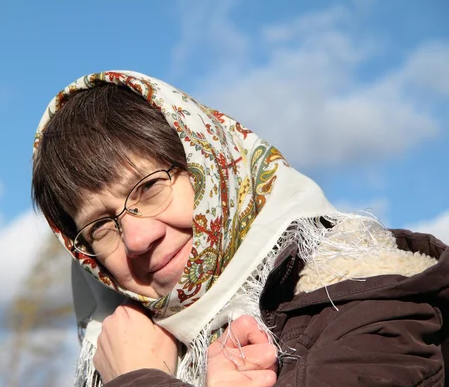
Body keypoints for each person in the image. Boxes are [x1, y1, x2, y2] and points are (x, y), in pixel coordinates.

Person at [31, 71, 449, 387]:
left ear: (210, 163)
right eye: (101, 226)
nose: (139, 239)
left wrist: (139, 377)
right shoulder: (120, 345)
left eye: (150, 187)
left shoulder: (366, 304)